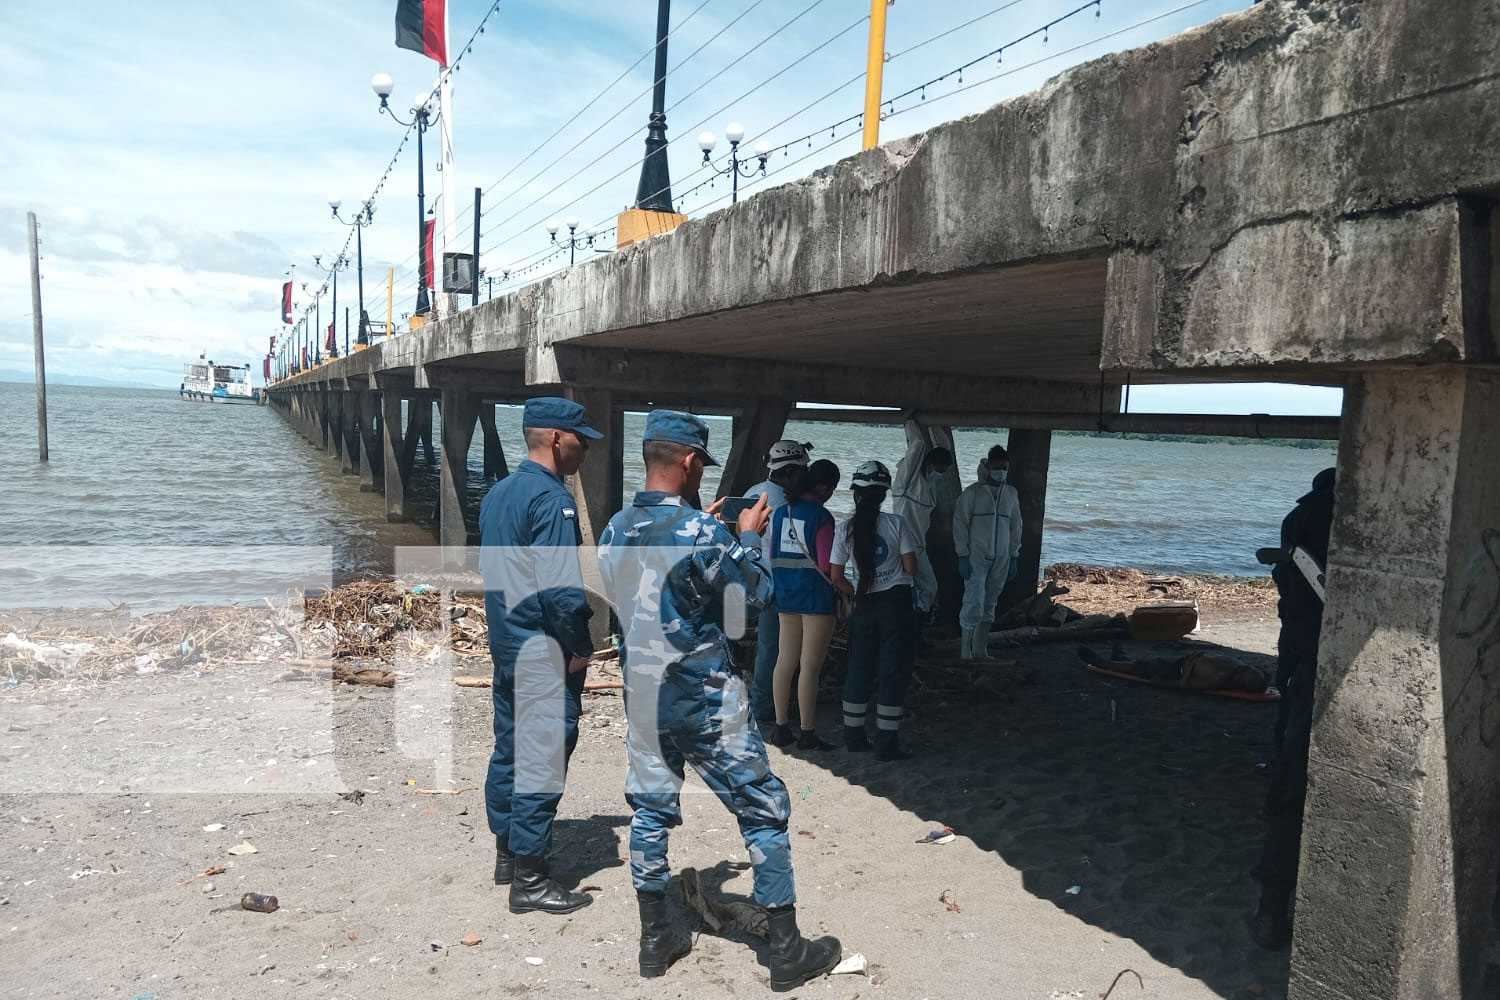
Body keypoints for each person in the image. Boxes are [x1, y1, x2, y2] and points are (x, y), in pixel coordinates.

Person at [598, 411, 842, 989]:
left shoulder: (613, 529)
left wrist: (706, 537)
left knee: (651, 810)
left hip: (645, 697)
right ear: (687, 462)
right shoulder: (704, 534)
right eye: (700, 464)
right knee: (763, 810)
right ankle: (785, 949)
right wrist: (749, 536)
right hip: (706, 700)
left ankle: (654, 939)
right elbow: (755, 596)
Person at [477, 396, 599, 916]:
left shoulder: (498, 494)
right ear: (554, 438)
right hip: (544, 650)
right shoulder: (553, 501)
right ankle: (529, 878)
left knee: (510, 747)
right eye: (580, 438)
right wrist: (578, 646)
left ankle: (507, 851)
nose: (586, 448)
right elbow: (561, 588)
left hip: (508, 643)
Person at [1253, 467, 1335, 950]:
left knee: (1290, 772)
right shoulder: (1344, 519)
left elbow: (1287, 578)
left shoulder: (1298, 517)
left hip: (1299, 646)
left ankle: (1270, 907)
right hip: (1324, 654)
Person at [830, 461, 920, 760]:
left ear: (856, 494)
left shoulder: (845, 528)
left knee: (859, 667)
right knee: (892, 670)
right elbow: (910, 567)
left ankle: (854, 737)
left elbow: (837, 576)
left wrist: (855, 593)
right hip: (895, 603)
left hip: (863, 604)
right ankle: (886, 743)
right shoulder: (897, 524)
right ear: (883, 495)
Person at [767, 459, 841, 750]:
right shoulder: (822, 517)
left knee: (784, 662)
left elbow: (773, 554)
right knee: (810, 667)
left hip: (786, 594)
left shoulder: (781, 513)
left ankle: (780, 727)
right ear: (823, 487)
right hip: (815, 597)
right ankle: (807, 732)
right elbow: (825, 563)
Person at [746, 439, 812, 723]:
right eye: (803, 470)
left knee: (769, 648)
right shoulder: (785, 504)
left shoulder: (753, 493)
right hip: (778, 585)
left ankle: (764, 701)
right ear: (790, 473)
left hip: (753, 579)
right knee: (775, 650)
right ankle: (764, 705)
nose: (805, 476)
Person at [953, 445, 1023, 660]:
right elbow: (960, 524)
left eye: (1004, 468)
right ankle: (966, 652)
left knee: (990, 601)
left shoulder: (1011, 493)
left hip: (1002, 557)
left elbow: (1016, 526)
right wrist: (962, 554)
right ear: (987, 465)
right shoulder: (972, 493)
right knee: (973, 599)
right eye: (997, 467)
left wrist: (1014, 555)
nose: (1001, 471)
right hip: (976, 555)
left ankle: (981, 650)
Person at [891, 418, 954, 619]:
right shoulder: (907, 479)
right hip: (901, 545)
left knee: (929, 589)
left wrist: (934, 421)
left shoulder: (930, 483)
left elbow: (943, 446)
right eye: (939, 470)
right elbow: (917, 443)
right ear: (930, 464)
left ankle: (917, 624)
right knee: (902, 588)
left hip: (919, 547)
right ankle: (909, 623)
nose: (940, 475)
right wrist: (911, 419)